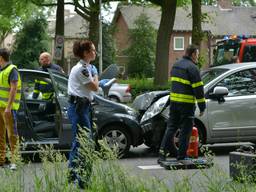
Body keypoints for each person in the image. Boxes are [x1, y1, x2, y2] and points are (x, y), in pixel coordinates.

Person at [158, 44, 206, 163]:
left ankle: (162, 154)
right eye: (197, 55)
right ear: (193, 54)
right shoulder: (193, 68)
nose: (198, 57)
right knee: (186, 130)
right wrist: (202, 107)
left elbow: (175, 85)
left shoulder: (176, 65)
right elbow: (198, 90)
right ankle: (182, 156)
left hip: (174, 103)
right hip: (186, 104)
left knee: (171, 127)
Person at [67, 40, 99, 188]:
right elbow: (95, 87)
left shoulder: (85, 67)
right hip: (79, 108)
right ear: (86, 53)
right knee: (85, 144)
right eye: (93, 50)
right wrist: (96, 73)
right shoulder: (83, 69)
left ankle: (73, 176)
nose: (95, 52)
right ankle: (82, 181)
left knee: (79, 143)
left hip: (82, 107)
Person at [0, 48, 22, 170]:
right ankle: (1, 159)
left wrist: (8, 107)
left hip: (9, 108)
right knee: (0, 135)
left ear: (1, 58)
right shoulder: (1, 70)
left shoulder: (12, 69)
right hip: (0, 107)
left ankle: (15, 161)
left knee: (12, 135)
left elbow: (13, 89)